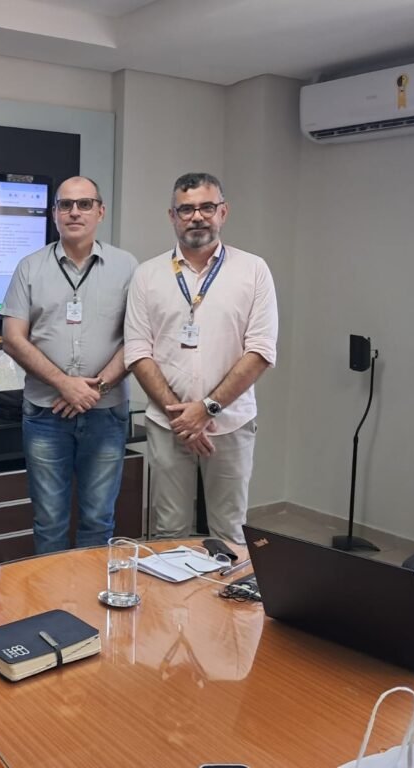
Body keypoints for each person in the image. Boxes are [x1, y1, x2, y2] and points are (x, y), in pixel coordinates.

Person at [124, 172, 278, 545]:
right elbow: (138, 351)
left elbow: (260, 350)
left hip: (231, 424)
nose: (197, 217)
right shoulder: (147, 275)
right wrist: (183, 417)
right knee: (168, 531)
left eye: (207, 207)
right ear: (172, 216)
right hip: (168, 424)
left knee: (230, 531)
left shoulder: (253, 270)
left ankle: (230, 602)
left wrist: (206, 409)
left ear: (223, 212)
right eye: (187, 209)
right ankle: (171, 606)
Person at [0, 176, 138, 554]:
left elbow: (139, 339)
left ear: (100, 211)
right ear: (54, 213)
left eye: (85, 204)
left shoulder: (127, 267)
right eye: (65, 205)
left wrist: (96, 389)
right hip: (46, 414)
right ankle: (55, 608)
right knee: (49, 521)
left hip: (106, 414)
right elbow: (13, 337)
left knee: (99, 519)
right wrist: (65, 384)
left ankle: (91, 610)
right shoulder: (29, 267)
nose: (74, 212)